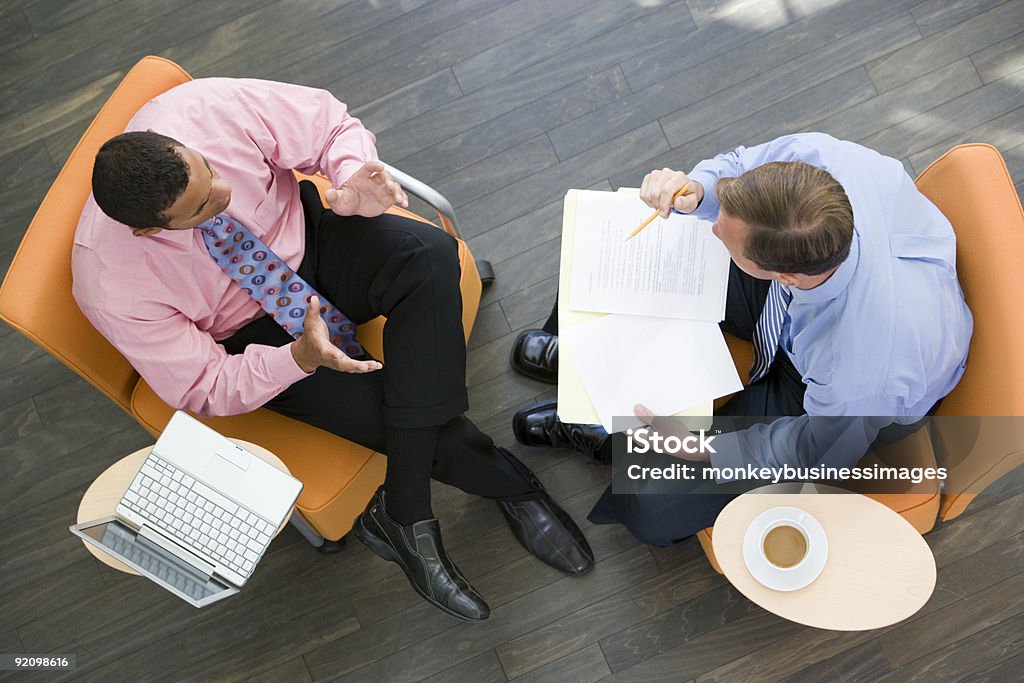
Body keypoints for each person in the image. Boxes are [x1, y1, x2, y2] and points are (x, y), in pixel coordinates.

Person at [73, 77, 593, 622]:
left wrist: (348, 174)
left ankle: (406, 509)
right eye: (204, 205)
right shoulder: (109, 282)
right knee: (392, 410)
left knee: (428, 251)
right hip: (258, 336)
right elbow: (204, 385)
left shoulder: (200, 108)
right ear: (149, 231)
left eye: (212, 170)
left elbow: (328, 125)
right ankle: (512, 485)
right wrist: (297, 358)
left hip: (309, 239)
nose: (224, 192)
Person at [511, 133, 972, 546]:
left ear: (783, 275)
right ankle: (584, 371)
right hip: (810, 312)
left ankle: (605, 433)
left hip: (829, 398)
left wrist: (699, 447)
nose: (714, 227)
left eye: (725, 235)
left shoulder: (860, 376)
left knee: (652, 505)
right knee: (616, 258)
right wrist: (699, 191)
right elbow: (736, 166)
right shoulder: (819, 162)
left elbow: (814, 452)